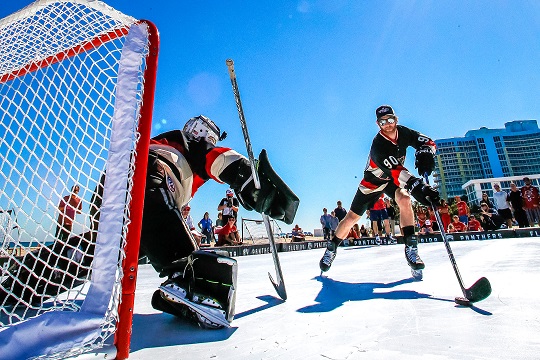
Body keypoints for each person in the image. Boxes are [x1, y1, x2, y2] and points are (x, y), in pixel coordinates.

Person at [135, 115, 299, 328]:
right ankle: (188, 283)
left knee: (109, 251)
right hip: (150, 179)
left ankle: (79, 264)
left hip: (115, 192)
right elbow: (217, 158)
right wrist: (247, 177)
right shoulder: (187, 143)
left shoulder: (166, 143)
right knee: (187, 263)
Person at [319, 104, 439, 274]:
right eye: (383, 122)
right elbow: (398, 172)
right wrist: (418, 187)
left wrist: (427, 152)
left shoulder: (404, 133)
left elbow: (428, 142)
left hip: (392, 180)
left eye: (390, 120)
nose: (387, 124)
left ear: (396, 119)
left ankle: (411, 249)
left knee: (404, 199)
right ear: (378, 124)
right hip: (373, 181)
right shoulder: (378, 146)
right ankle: (332, 248)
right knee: (351, 218)